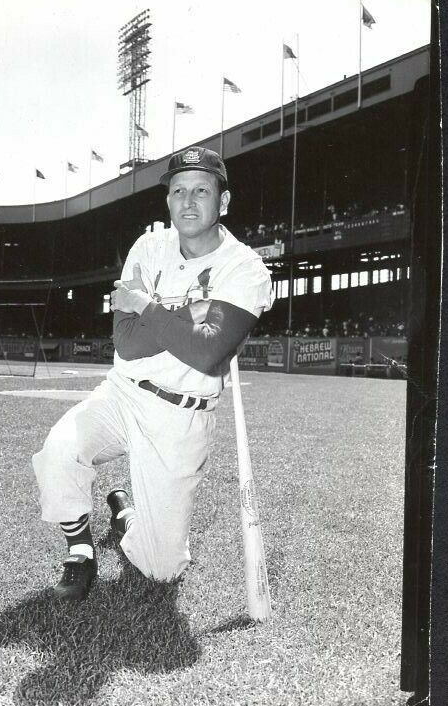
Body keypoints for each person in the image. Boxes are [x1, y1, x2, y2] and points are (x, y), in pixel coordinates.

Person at [32, 146, 273, 601]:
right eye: (178, 191)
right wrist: (189, 316)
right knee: (59, 451)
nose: (188, 201)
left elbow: (206, 354)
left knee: (161, 570)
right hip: (123, 393)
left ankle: (125, 516)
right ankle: (80, 551)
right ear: (167, 200)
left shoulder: (245, 268)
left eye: (202, 190)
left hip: (181, 416)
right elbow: (127, 341)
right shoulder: (148, 246)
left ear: (223, 202)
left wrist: (146, 306)